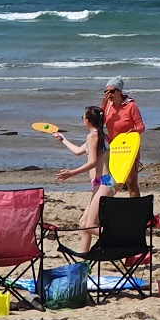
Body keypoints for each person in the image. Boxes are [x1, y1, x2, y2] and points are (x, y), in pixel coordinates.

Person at [53, 106, 109, 251]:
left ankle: (120, 240)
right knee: (83, 223)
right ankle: (84, 261)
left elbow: (93, 162)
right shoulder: (99, 134)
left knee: (90, 224)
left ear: (88, 120)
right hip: (101, 183)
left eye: (83, 118)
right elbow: (78, 151)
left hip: (105, 182)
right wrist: (63, 139)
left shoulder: (93, 136)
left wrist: (71, 173)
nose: (83, 120)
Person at [101, 77, 144, 196]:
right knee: (108, 181)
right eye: (106, 91)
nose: (109, 94)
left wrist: (134, 131)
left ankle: (135, 210)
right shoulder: (107, 106)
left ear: (120, 91)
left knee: (131, 183)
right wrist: (103, 105)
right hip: (111, 148)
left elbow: (141, 126)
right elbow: (97, 123)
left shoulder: (131, 106)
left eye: (112, 91)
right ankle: (107, 205)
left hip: (128, 149)